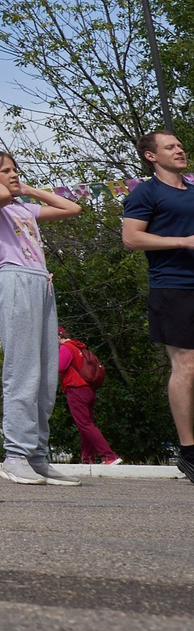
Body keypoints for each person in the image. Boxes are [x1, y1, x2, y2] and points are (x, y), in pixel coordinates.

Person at [0, 149, 84, 486]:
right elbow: (0, 195)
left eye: (15, 169)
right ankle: (15, 455)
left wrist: (30, 190)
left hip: (41, 284)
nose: (14, 174)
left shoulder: (23, 209)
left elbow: (72, 208)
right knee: (23, 372)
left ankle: (37, 456)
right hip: (16, 280)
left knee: (47, 377)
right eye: (6, 170)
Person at [119, 128, 194, 483]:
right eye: (170, 147)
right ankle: (188, 451)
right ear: (151, 156)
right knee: (187, 365)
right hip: (172, 288)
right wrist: (183, 242)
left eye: (179, 145)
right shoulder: (145, 193)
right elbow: (131, 238)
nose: (179, 150)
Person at [55, 328, 118, 465]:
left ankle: (109, 456)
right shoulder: (80, 347)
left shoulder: (66, 348)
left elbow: (60, 367)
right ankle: (87, 458)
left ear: (58, 337)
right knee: (86, 424)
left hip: (76, 388)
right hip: (88, 389)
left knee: (85, 424)